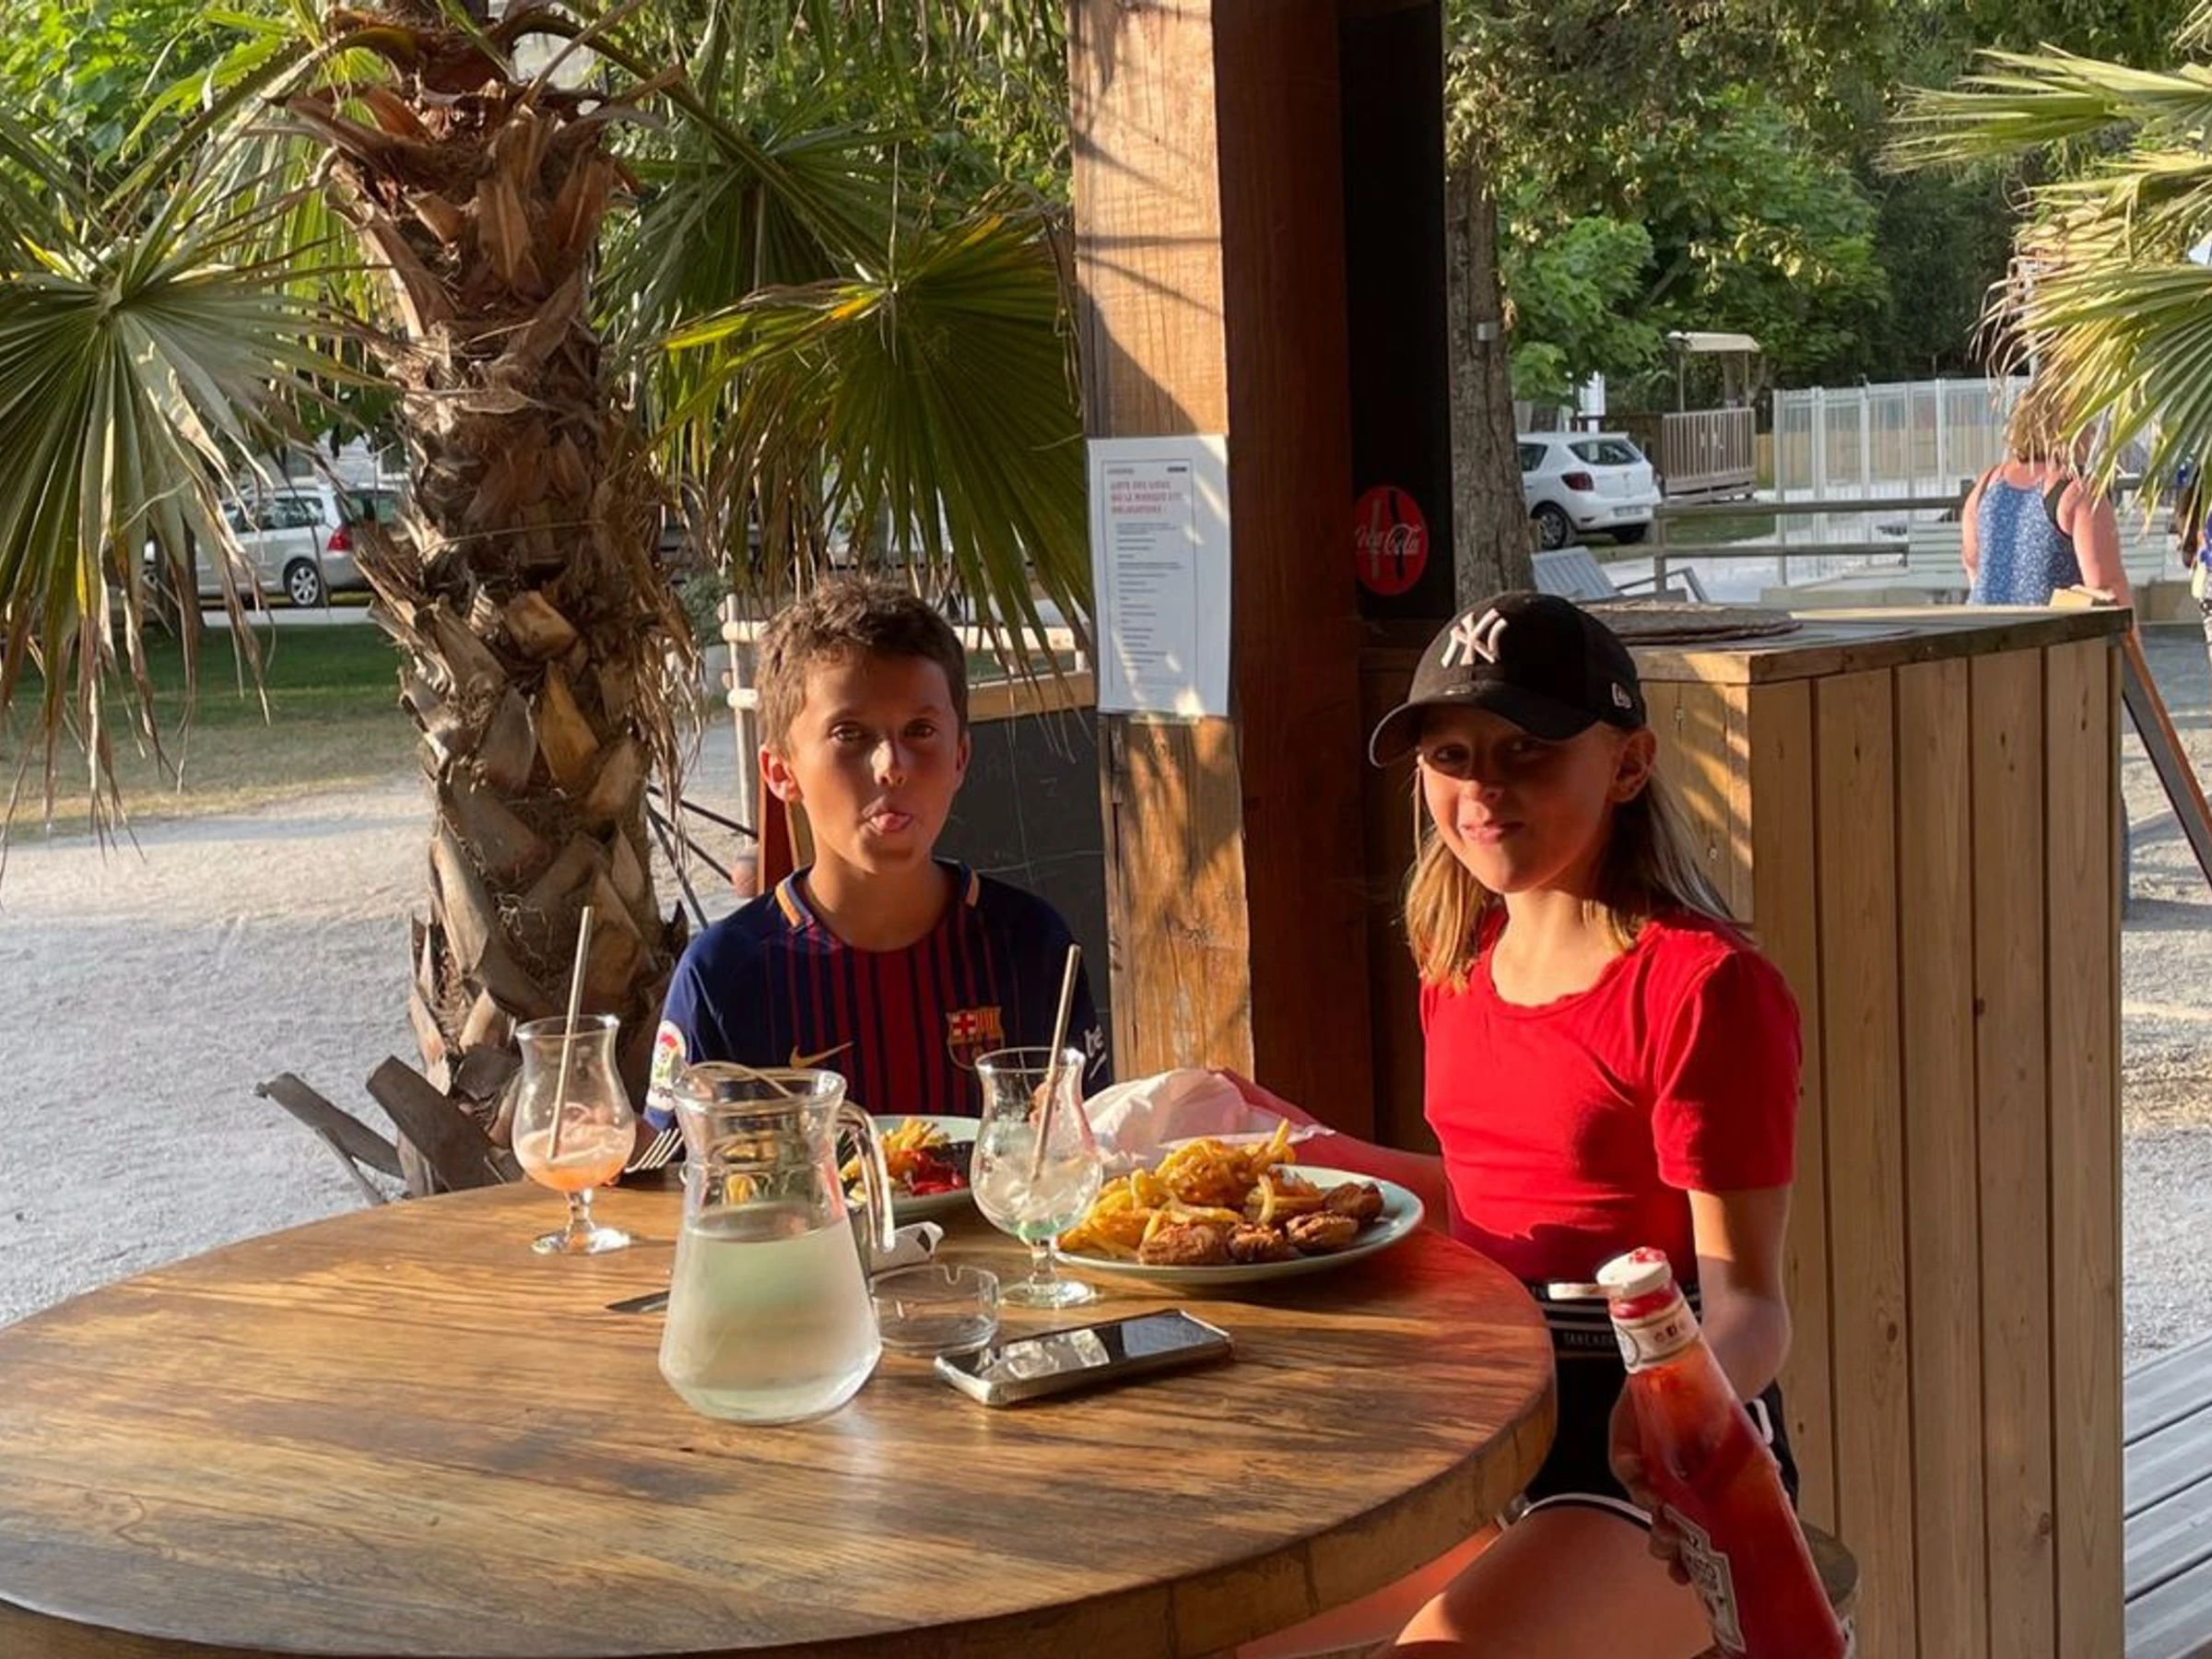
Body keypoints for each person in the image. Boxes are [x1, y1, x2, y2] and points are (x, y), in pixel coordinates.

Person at [1231, 592, 1802, 1659]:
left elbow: (1754, 1308)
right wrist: (1291, 1140)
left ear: (1629, 764)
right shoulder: (1458, 963)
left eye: (1526, 749)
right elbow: (1486, 1197)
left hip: (1652, 1471)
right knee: (1221, 1622)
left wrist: (1671, 1405)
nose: (1483, 787)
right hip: (1475, 1432)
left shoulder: (1705, 986)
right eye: (1450, 756)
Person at [649, 579, 1107, 1124]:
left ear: (960, 757)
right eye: (850, 734)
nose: (892, 765)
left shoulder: (1032, 945)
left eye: (921, 731)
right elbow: (671, 1161)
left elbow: (1093, 1139)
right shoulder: (722, 975)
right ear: (781, 771)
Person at [1961, 389, 2131, 611]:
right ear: (2070, 429)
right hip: (2047, 628)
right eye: (2087, 423)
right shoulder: (2078, 491)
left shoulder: (1986, 486)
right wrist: (2134, 634)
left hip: (1984, 625)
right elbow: (2105, 588)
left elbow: (1973, 565)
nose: (2092, 433)